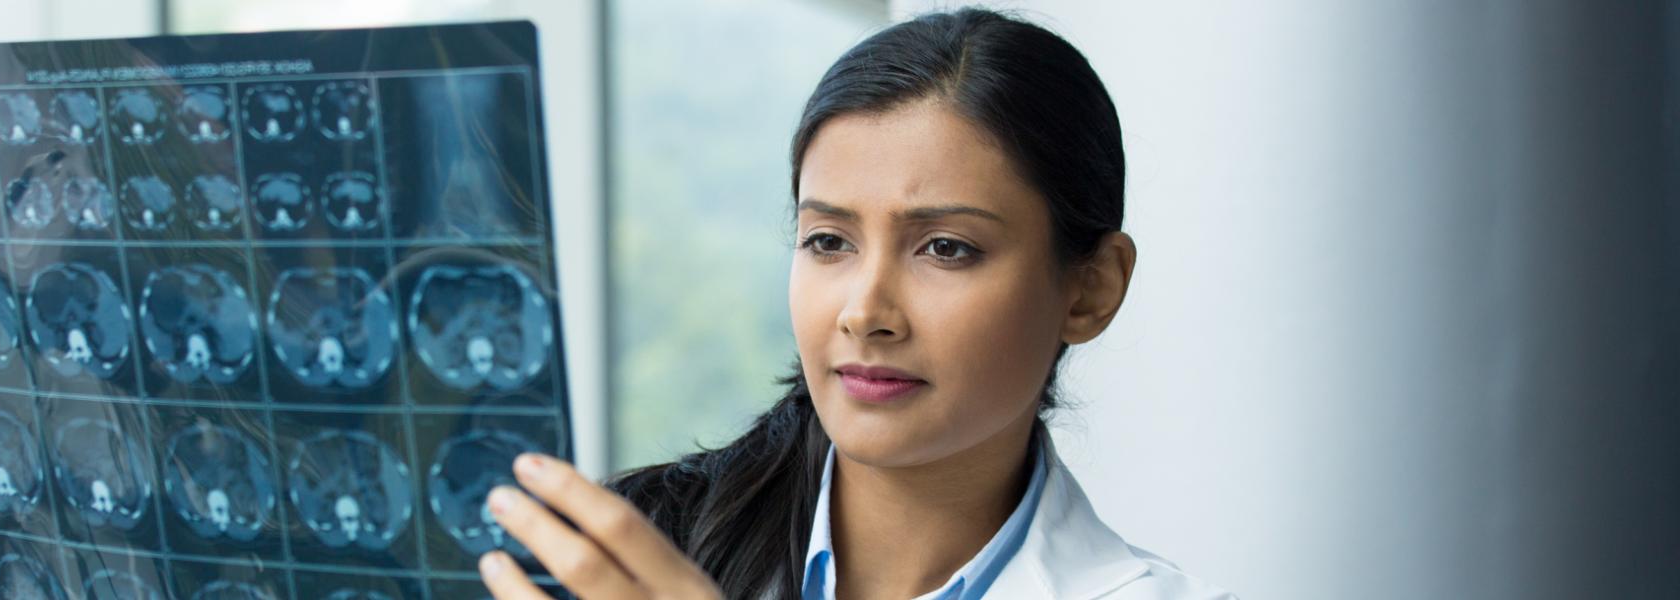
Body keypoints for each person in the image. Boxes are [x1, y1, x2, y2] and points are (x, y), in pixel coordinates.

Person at [475, 7, 1236, 599]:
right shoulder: (615, 559)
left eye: (946, 248)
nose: (865, 311)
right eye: (829, 241)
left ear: (1091, 288)